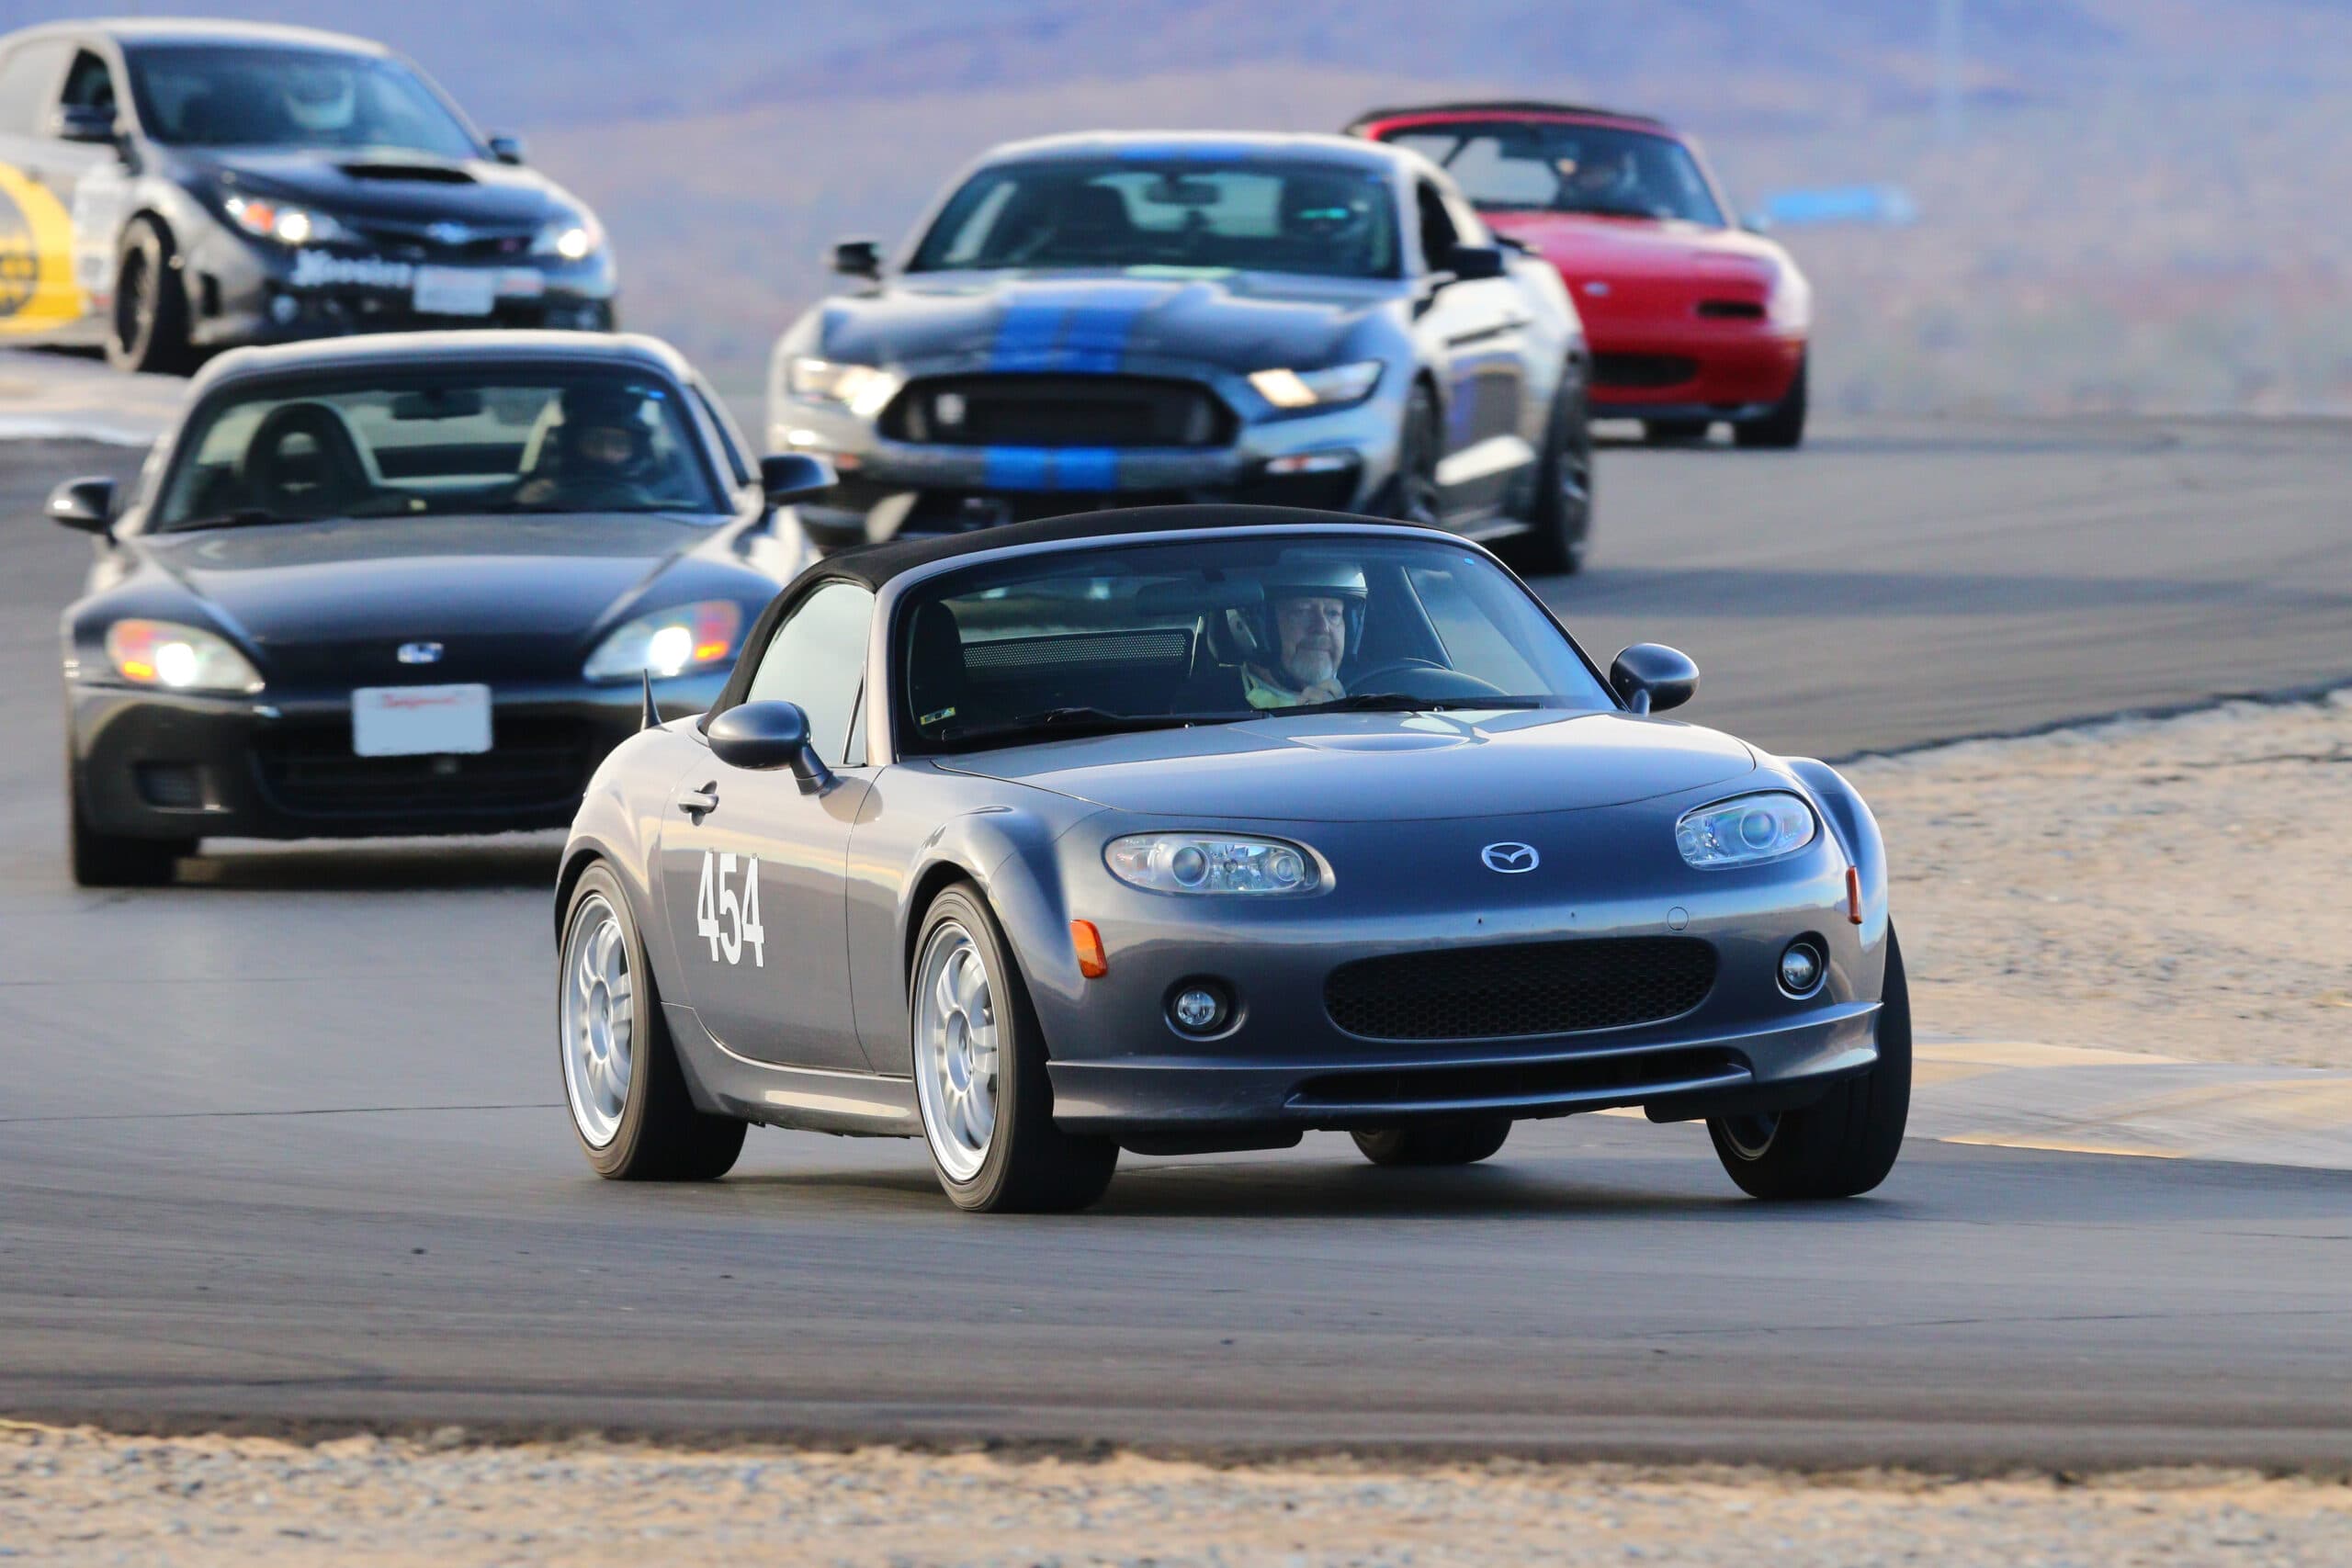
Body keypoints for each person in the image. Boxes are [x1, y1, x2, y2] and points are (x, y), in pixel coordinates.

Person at [512, 383, 664, 511]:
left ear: (635, 451)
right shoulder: (543, 490)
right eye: (594, 441)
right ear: (572, 445)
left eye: (619, 444)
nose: (606, 453)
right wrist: (523, 505)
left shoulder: (663, 496)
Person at [1239, 561, 1367, 709]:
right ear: (1258, 628)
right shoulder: (1212, 706)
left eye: (1333, 613)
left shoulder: (1374, 705)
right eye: (1302, 611)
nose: (1322, 627)